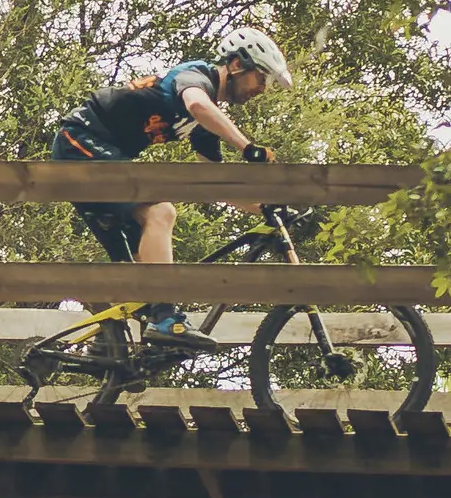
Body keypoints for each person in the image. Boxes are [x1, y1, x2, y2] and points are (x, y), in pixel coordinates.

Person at [49, 28, 292, 322]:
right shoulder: (196, 76)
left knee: (136, 279)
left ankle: (110, 352)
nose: (263, 88)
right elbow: (197, 104)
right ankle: (166, 317)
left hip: (96, 156)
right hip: (81, 140)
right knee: (160, 211)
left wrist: (265, 208)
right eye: (262, 76)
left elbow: (214, 183)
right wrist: (247, 147)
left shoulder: (204, 121)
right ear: (237, 65)